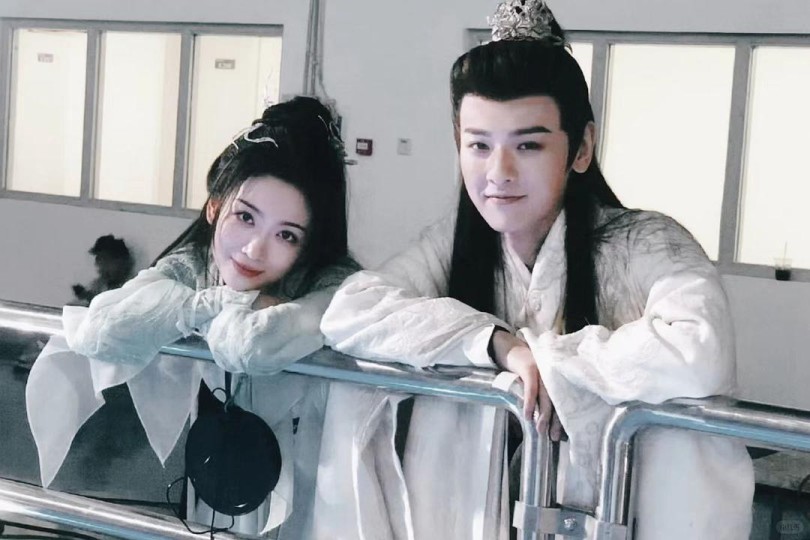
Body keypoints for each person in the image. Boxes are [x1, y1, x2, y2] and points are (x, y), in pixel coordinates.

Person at [317, 1, 754, 538]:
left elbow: (698, 349)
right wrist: (496, 345)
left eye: (527, 144)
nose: (498, 172)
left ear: (581, 148)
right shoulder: (454, 244)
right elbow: (350, 311)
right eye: (479, 145)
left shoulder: (645, 241)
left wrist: (551, 361)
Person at [26, 96, 359, 537]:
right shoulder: (196, 263)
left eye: (286, 235)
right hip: (221, 462)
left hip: (319, 470)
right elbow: (101, 330)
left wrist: (204, 311)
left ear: (310, 243)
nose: (254, 250)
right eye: (245, 217)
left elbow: (247, 344)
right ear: (214, 206)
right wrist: (205, 305)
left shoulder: (336, 283)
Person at [70, 234, 135, 306]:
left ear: (120, 261)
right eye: (98, 259)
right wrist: (85, 296)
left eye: (105, 259)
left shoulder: (134, 285)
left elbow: (114, 306)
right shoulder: (99, 284)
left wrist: (89, 298)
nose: (100, 265)